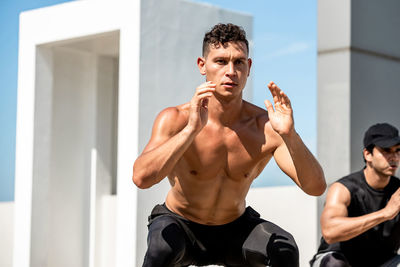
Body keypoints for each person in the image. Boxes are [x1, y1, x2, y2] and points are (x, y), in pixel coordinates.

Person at [133, 23, 326, 267]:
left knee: (285, 248)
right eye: (221, 61)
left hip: (234, 229)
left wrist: (290, 134)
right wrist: (192, 130)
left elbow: (316, 187)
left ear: (249, 67)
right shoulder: (176, 119)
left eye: (239, 62)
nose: (231, 71)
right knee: (161, 248)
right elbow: (141, 178)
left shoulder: (266, 127)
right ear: (202, 66)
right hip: (181, 224)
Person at [310, 123, 400, 267]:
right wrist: (385, 214)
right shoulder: (344, 188)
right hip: (339, 259)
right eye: (386, 151)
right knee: (333, 264)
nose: (394, 157)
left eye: (397, 150)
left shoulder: (398, 190)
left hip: (383, 262)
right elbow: (330, 231)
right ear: (367, 154)